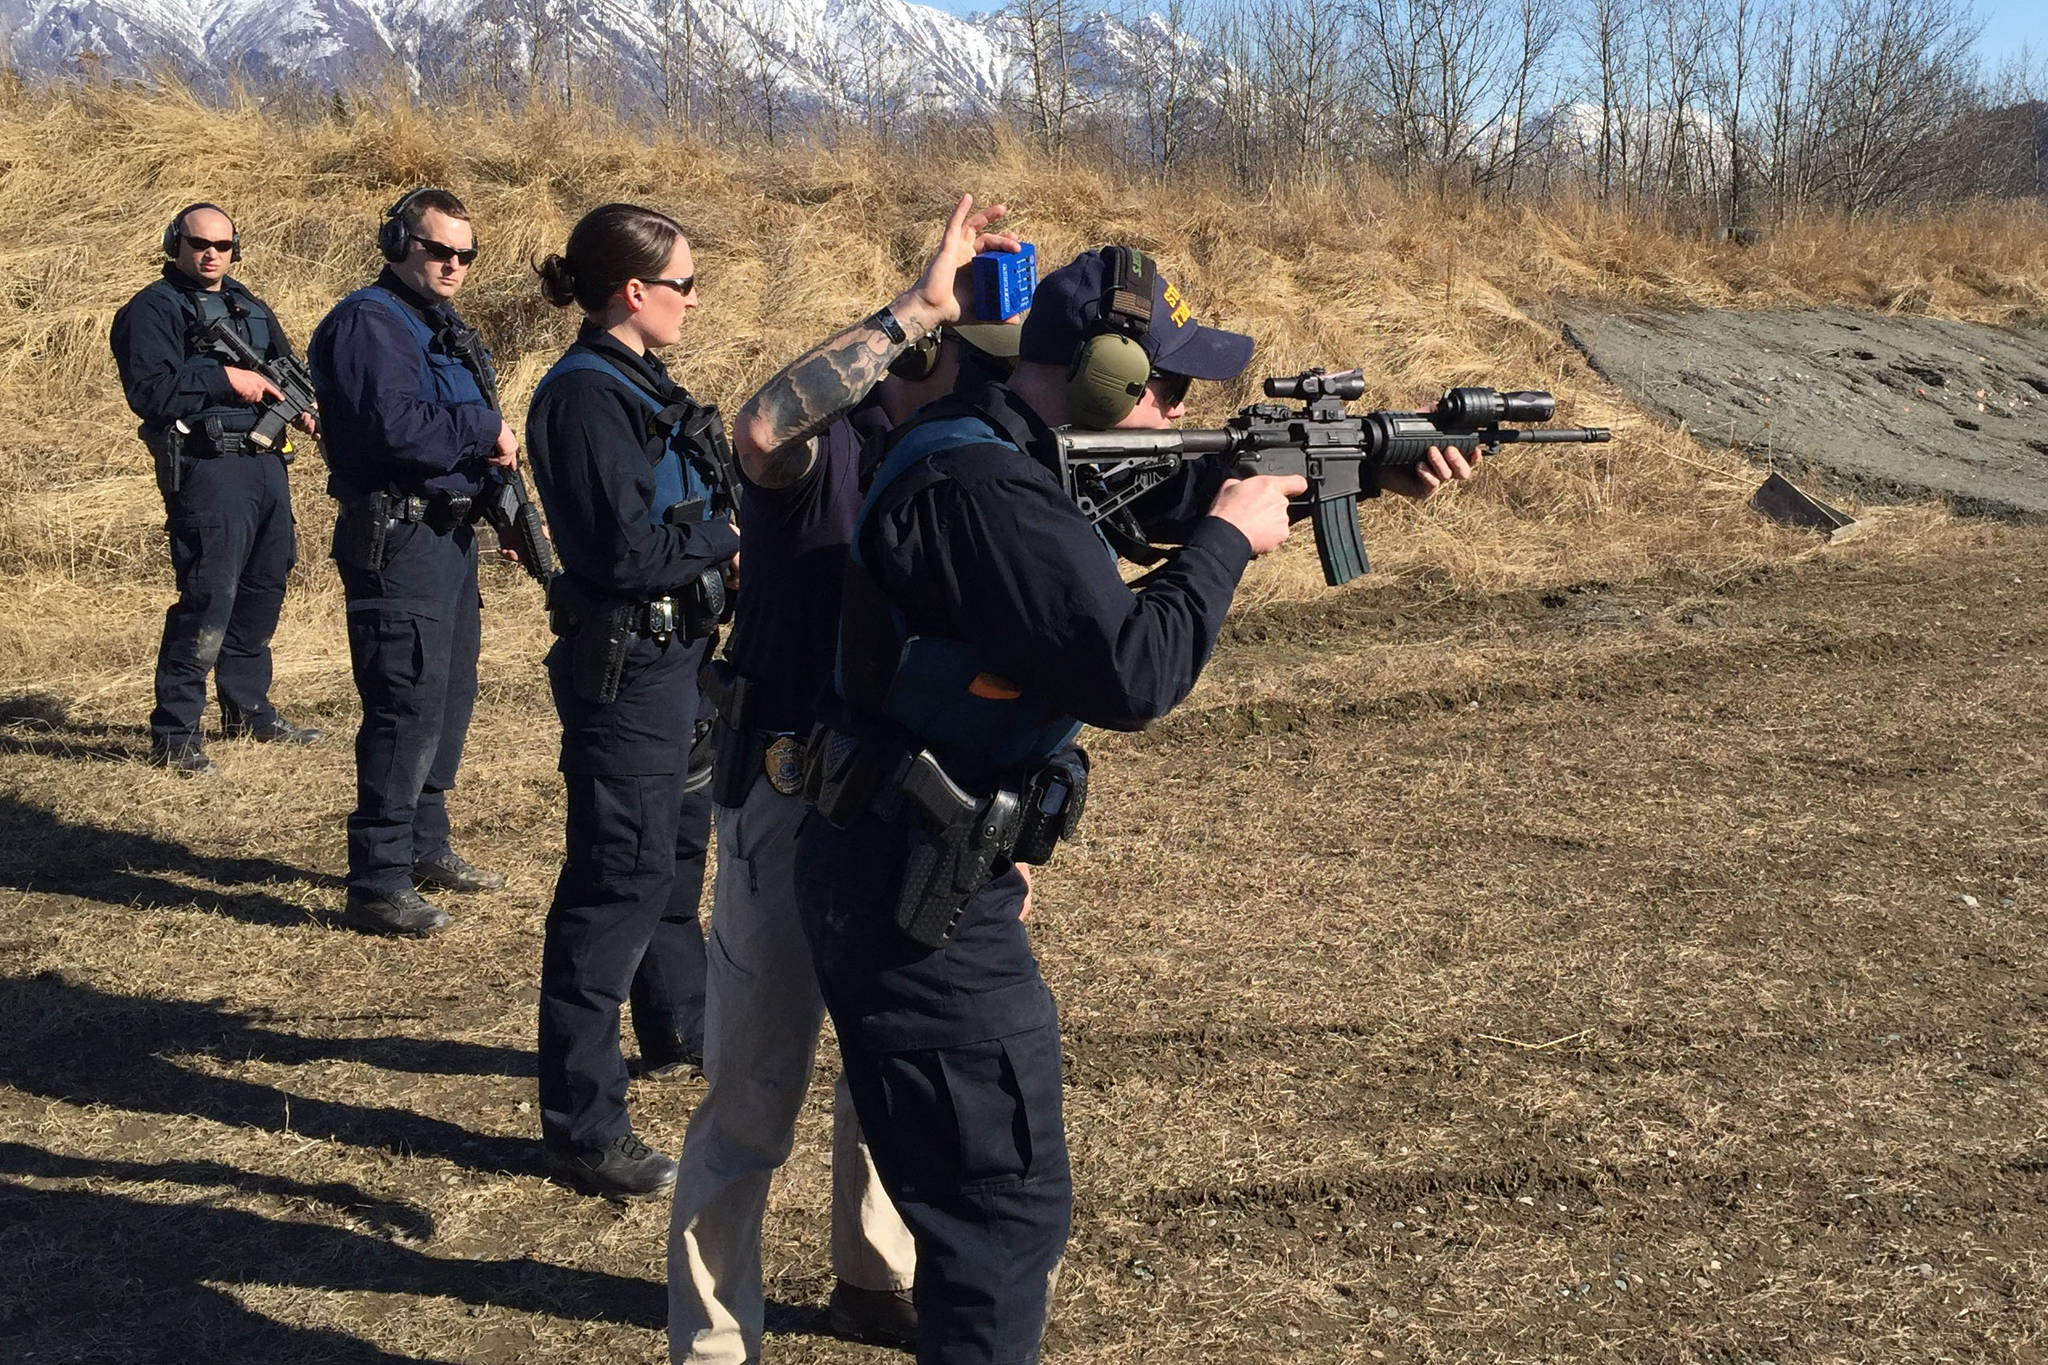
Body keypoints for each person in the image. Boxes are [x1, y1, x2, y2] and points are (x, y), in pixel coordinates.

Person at [791, 245, 1482, 1363]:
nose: (1176, 411)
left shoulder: (997, 455)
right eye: (1165, 386)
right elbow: (1129, 670)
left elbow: (1123, 512)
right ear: (1104, 375)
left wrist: (1341, 480)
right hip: (916, 899)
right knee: (998, 1217)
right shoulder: (981, 491)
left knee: (979, 1207)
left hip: (914, 866)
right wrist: (1229, 539)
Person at [668, 195, 1023, 1362]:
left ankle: (875, 1275)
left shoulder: (980, 462)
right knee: (749, 1095)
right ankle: (715, 1337)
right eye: (959, 352)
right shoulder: (831, 447)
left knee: (893, 1072)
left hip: (913, 808)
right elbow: (759, 429)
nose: (984, 379)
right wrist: (913, 303)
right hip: (786, 791)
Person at [522, 203, 740, 1201]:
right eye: (684, 284)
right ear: (632, 292)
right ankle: (582, 1123)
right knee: (613, 884)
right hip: (629, 673)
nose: (695, 300)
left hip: (680, 663)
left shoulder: (640, 382)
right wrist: (732, 540)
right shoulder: (582, 398)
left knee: (673, 858)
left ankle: (677, 1028)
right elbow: (620, 552)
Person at [308, 188, 517, 936]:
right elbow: (398, 429)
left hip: (447, 538)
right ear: (397, 242)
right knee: (405, 703)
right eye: (439, 250)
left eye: (466, 254)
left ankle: (425, 845)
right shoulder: (371, 321)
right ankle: (379, 879)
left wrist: (502, 500)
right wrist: (485, 425)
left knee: (446, 697)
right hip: (399, 539)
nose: (454, 265)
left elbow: (461, 440)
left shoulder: (439, 324)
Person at [110, 202, 324, 775]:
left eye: (223, 246)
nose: (211, 254)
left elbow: (286, 369)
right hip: (207, 468)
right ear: (173, 242)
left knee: (264, 584)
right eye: (199, 243)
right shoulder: (153, 309)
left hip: (264, 464)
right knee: (209, 595)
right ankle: (176, 731)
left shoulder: (249, 305)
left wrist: (304, 407)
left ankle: (247, 709)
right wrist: (225, 378)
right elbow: (149, 392)